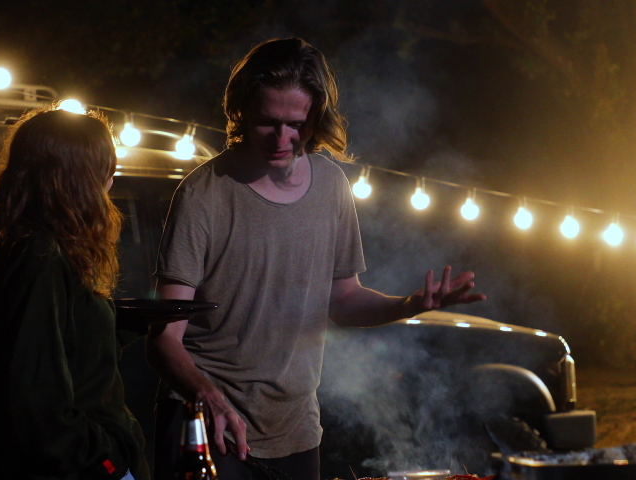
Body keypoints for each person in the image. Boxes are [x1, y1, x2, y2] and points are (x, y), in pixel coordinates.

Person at [147, 38, 486, 480]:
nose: (283, 139)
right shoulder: (203, 194)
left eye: (297, 124)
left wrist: (410, 305)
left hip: (296, 432)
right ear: (242, 111)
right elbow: (164, 339)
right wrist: (210, 398)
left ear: (317, 118)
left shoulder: (332, 186)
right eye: (268, 122)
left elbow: (343, 300)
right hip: (209, 428)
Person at [0, 106, 149, 480]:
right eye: (105, 169)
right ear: (76, 179)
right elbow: (38, 403)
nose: (111, 181)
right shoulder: (40, 256)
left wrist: (132, 322)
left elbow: (73, 352)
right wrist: (108, 464)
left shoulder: (48, 250)